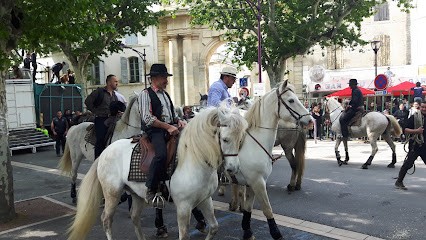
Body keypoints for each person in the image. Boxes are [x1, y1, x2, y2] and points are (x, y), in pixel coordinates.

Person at [140, 63, 186, 204]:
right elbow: (147, 118)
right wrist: (167, 127)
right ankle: (151, 187)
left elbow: (171, 114)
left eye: (166, 77)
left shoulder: (165, 94)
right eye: (164, 77)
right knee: (161, 155)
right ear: (155, 78)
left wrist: (179, 121)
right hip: (154, 130)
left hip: (169, 127)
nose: (166, 80)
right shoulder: (145, 94)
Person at [84, 74, 121, 158]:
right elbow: (87, 102)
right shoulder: (99, 92)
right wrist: (96, 112)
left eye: (117, 81)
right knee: (100, 140)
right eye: (115, 81)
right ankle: (97, 160)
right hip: (101, 119)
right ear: (109, 82)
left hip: (113, 119)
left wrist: (118, 112)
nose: (117, 83)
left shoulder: (115, 95)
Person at [395, 100, 426, 190]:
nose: (424, 109)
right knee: (408, 164)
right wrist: (416, 131)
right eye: (422, 107)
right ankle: (399, 181)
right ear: (419, 107)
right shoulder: (414, 117)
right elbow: (405, 129)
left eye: (425, 107)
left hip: (425, 146)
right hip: (415, 145)